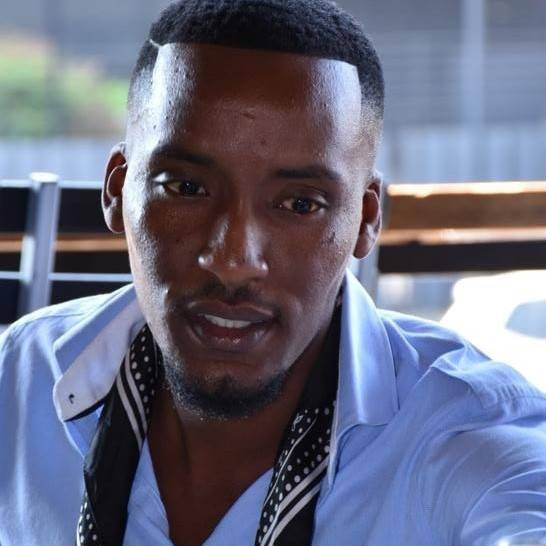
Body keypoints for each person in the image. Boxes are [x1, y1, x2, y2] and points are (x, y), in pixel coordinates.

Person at [1, 1, 545, 544]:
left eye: (300, 204)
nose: (234, 260)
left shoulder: (466, 437)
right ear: (118, 191)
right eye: (186, 188)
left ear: (366, 218)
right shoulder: (22, 380)